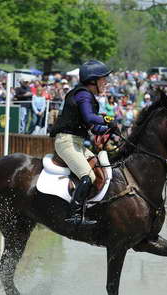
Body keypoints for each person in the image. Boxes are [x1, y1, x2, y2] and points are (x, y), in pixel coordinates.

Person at [49, 60, 115, 226]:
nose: (105, 82)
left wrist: (107, 130)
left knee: (99, 171)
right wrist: (107, 119)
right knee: (87, 177)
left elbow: (92, 126)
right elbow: (89, 117)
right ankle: (74, 215)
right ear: (93, 80)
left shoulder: (87, 96)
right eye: (103, 79)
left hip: (76, 142)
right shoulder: (83, 94)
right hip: (66, 142)